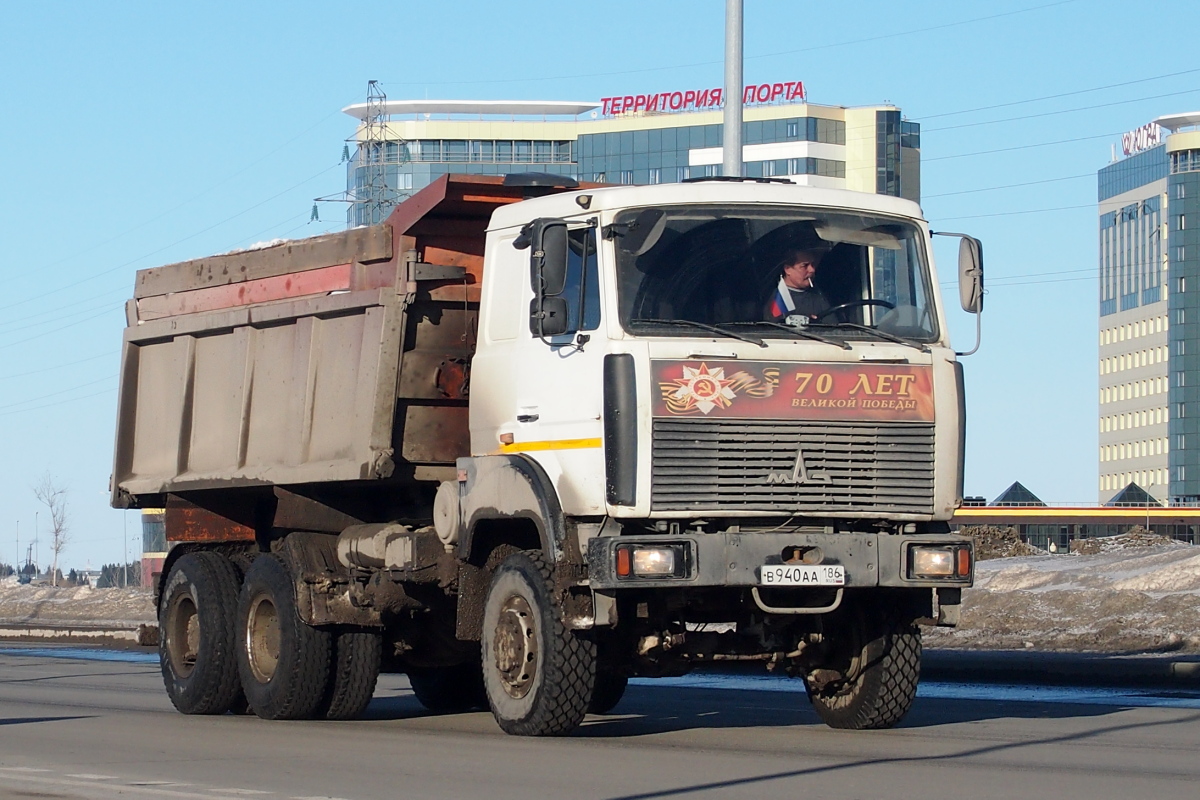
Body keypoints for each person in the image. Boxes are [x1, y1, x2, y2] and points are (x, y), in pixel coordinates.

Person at [765, 248, 830, 321]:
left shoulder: (817, 294)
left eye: (812, 264)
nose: (812, 270)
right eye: (805, 266)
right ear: (788, 269)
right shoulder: (778, 302)